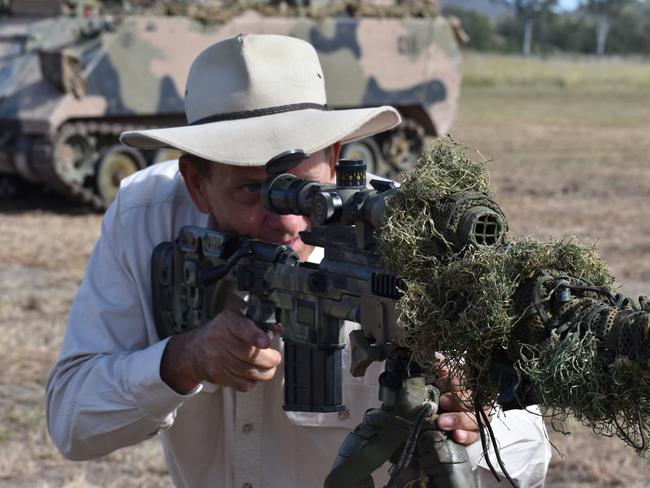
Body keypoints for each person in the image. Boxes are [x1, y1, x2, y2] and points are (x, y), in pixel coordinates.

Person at [45, 34, 551, 487]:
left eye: (307, 191)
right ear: (196, 183)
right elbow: (72, 423)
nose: (288, 220)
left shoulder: (410, 239)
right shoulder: (147, 215)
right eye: (251, 190)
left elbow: (533, 450)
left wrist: (479, 420)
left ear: (336, 158)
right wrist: (183, 359)